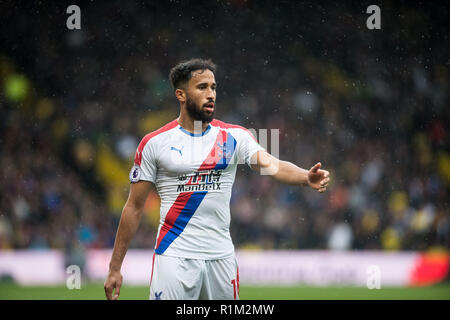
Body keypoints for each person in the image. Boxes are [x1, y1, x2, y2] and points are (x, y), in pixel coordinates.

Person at [104, 58, 330, 300]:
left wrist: (305, 177)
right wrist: (115, 267)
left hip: (220, 258)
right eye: (202, 87)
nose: (211, 94)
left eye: (213, 87)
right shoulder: (154, 143)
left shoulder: (234, 136)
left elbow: (271, 165)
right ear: (181, 94)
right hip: (174, 256)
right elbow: (135, 207)